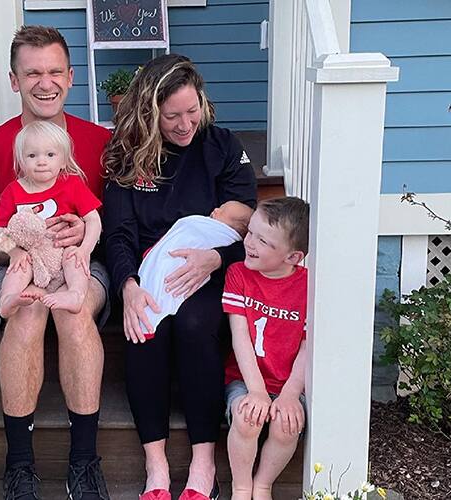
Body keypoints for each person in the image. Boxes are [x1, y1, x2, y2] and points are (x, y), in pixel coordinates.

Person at [102, 54, 257, 500]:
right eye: (172, 116)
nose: (185, 124)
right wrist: (127, 287)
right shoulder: (128, 155)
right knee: (144, 326)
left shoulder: (223, 147)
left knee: (194, 325)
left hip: (211, 269)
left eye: (193, 112)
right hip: (148, 268)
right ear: (150, 112)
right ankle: (156, 466)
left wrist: (216, 257)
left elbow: (249, 229)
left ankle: (203, 462)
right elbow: (119, 232)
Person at [0, 25, 112, 500]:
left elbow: (112, 222)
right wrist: (14, 247)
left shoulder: (98, 143)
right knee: (30, 310)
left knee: (70, 312)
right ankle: (19, 466)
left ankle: (84, 463)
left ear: (71, 77)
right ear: (14, 80)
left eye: (54, 71)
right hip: (14, 270)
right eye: (33, 72)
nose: (45, 82)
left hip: (79, 263)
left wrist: (85, 234)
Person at [222, 197, 309, 500]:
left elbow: (306, 345)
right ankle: (242, 487)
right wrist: (256, 391)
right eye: (251, 233)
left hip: (288, 382)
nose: (250, 243)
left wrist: (289, 394)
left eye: (264, 241)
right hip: (245, 379)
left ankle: (263, 485)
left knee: (287, 425)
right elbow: (240, 336)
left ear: (292, 257)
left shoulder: (309, 287)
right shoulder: (239, 274)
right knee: (247, 417)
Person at [0, 121, 102, 316]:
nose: (41, 161)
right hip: (32, 255)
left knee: (75, 261)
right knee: (18, 268)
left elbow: (93, 219)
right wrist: (14, 252)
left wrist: (85, 250)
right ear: (21, 160)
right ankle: (8, 298)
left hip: (62, 250)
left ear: (63, 160)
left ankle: (75, 295)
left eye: (50, 155)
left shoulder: (71, 185)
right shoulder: (13, 192)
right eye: (32, 155)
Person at [137, 200, 254, 337]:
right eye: (219, 207)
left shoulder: (224, 235)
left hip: (203, 275)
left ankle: (156, 308)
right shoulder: (199, 222)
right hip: (174, 260)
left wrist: (218, 255)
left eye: (222, 211)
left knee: (191, 318)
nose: (215, 210)